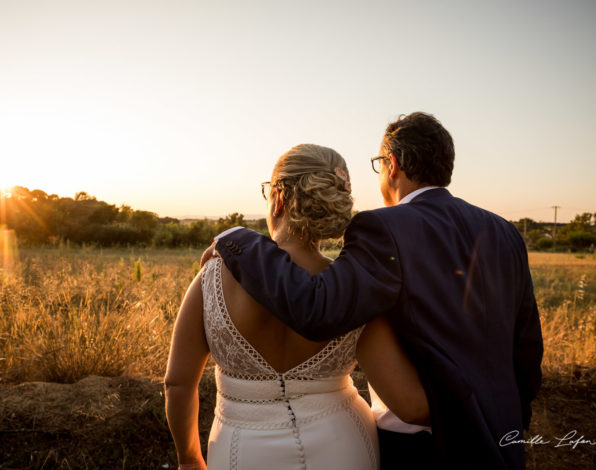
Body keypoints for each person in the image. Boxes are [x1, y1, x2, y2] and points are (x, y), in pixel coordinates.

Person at [206, 113, 544, 469]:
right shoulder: (504, 232)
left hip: (421, 448)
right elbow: (527, 346)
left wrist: (238, 240)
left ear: (392, 164)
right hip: (501, 442)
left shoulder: (383, 227)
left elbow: (319, 309)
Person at [165, 144, 429, 470]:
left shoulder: (213, 276)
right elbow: (403, 397)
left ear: (278, 198)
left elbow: (177, 383)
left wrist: (189, 459)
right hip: (345, 446)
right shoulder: (353, 288)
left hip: (242, 451)